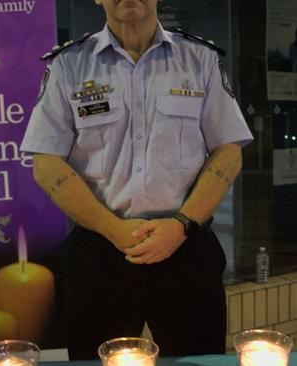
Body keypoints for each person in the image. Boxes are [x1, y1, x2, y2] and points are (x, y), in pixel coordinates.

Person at [20, 0, 253, 359]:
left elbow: (228, 150)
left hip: (186, 248)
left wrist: (179, 226)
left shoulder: (199, 59)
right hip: (100, 251)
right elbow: (46, 161)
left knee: (197, 359)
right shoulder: (69, 64)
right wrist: (114, 229)